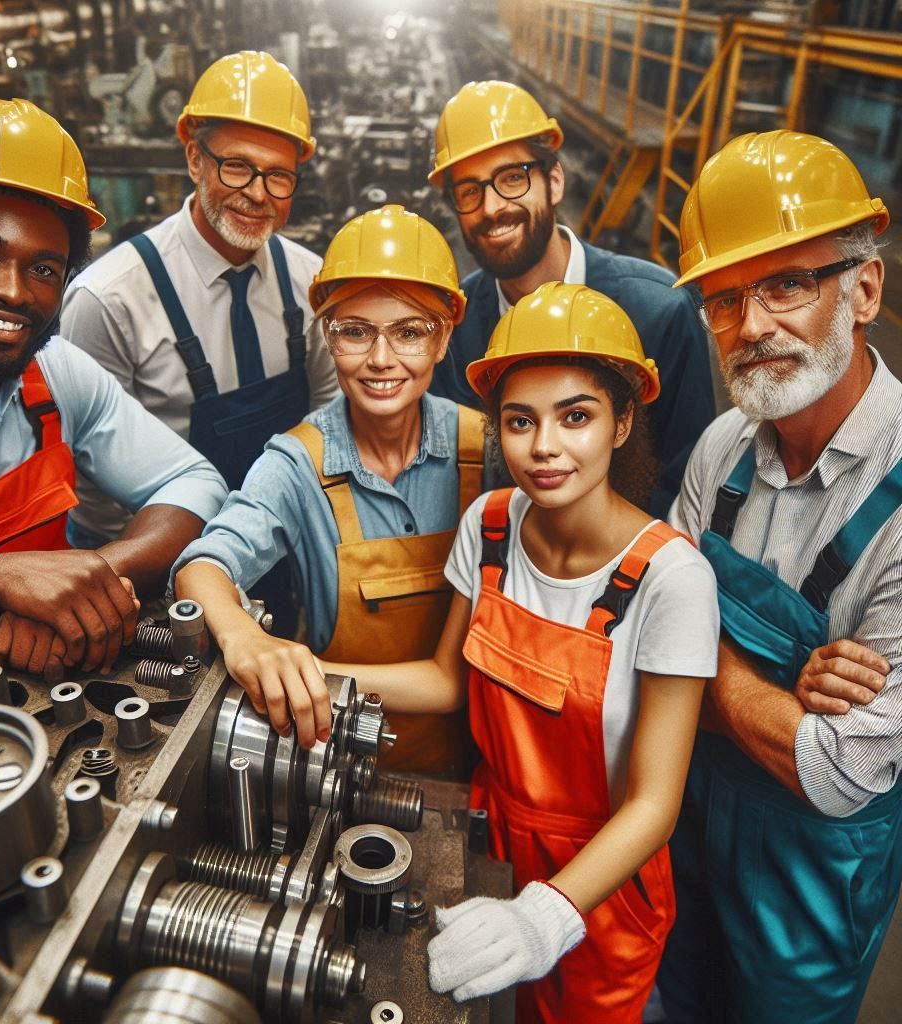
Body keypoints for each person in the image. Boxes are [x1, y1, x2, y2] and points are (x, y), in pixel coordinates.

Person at [215, 281, 721, 1020]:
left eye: (576, 417)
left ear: (622, 422)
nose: (544, 447)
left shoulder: (672, 578)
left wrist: (546, 915)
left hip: (601, 882)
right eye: (520, 421)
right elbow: (446, 680)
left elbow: (654, 804)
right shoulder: (491, 525)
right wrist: (295, 668)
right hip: (482, 838)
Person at [655, 131, 902, 1024]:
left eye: (787, 284)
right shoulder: (722, 448)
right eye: (724, 299)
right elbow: (638, 620)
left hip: (812, 884)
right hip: (687, 826)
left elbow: (837, 769)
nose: (752, 325)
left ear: (863, 289)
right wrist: (783, 691)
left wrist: (695, 660)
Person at [0, 98, 226, 720]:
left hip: (47, 701)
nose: (13, 291)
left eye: (43, 268)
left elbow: (195, 483)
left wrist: (79, 582)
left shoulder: (55, 374)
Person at [173, 205, 483, 775]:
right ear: (328, 338)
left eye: (410, 332)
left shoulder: (487, 449)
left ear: (443, 340)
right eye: (355, 332)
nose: (381, 360)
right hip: (336, 757)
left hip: (473, 758)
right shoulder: (298, 463)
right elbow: (202, 566)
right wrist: (245, 638)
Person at [61, 50, 338, 636]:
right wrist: (136, 593)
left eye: (279, 176)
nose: (258, 193)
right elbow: (93, 489)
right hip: (158, 580)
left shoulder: (312, 284)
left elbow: (330, 429)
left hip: (284, 555)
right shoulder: (109, 299)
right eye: (236, 167)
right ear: (194, 158)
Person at [427, 80, 715, 515]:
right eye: (469, 191)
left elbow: (688, 480)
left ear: (555, 181)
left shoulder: (657, 312)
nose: (491, 208)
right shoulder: (456, 326)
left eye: (512, 178)